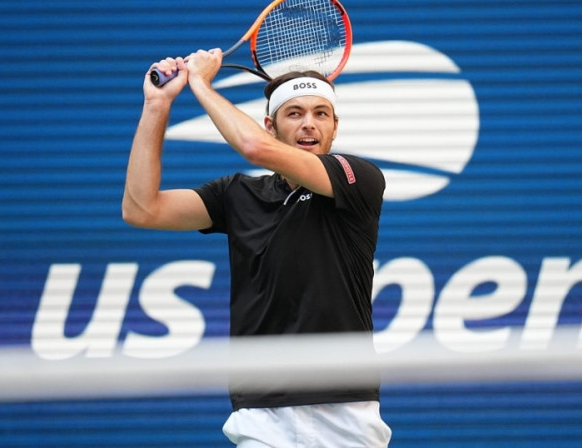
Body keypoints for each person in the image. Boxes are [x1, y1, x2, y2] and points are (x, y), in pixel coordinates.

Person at [122, 48, 391, 447]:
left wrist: (200, 83)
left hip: (344, 411)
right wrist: (157, 104)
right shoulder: (236, 195)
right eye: (294, 113)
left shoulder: (358, 180)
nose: (309, 124)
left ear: (335, 128)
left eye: (321, 114)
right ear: (271, 124)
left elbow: (253, 148)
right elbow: (142, 209)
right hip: (261, 415)